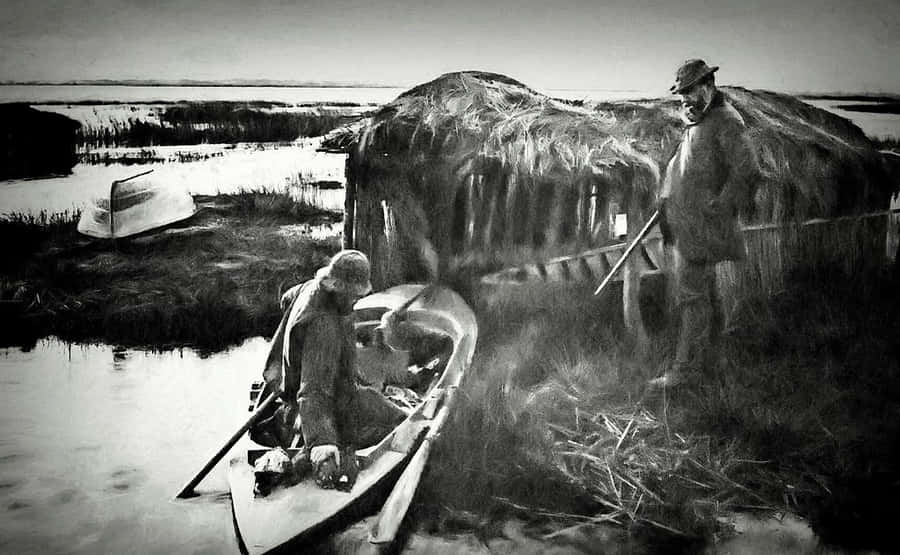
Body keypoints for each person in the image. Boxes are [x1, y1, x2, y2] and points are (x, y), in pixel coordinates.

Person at [255, 249, 407, 487]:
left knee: (374, 395)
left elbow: (287, 298)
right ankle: (311, 447)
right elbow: (313, 390)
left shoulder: (308, 288)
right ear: (338, 288)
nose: (356, 300)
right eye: (353, 295)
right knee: (401, 420)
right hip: (322, 406)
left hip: (292, 391)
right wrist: (321, 442)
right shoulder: (324, 326)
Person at [651, 59, 759, 388]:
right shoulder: (700, 120)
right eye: (681, 94)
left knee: (692, 298)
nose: (685, 100)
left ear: (708, 86)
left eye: (690, 92)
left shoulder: (726, 121)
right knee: (706, 296)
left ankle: (686, 372)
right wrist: (666, 200)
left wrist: (721, 205)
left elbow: (748, 170)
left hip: (703, 227)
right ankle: (715, 364)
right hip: (687, 225)